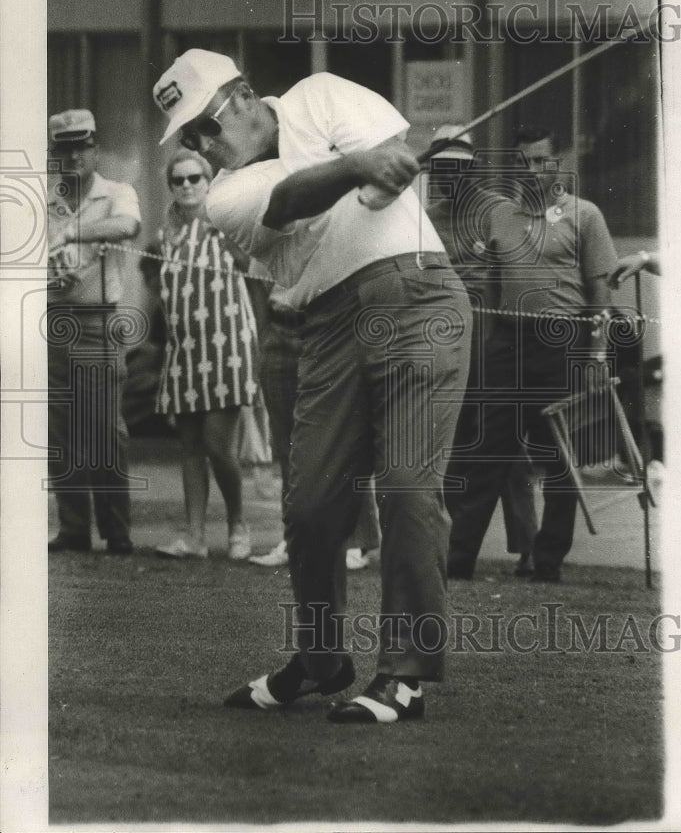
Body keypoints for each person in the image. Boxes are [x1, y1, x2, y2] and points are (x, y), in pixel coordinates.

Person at [152, 50, 471, 723]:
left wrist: (377, 167)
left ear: (240, 97)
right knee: (311, 508)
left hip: (415, 296)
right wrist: (359, 168)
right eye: (188, 140)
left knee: (409, 485)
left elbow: (388, 154)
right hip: (323, 322)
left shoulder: (320, 94)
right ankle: (321, 659)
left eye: (202, 130)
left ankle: (404, 676)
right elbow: (292, 200)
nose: (199, 147)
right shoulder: (223, 196)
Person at [445, 126, 618, 583]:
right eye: (524, 162)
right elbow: (492, 287)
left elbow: (600, 293)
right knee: (486, 453)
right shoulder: (503, 217)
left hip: (563, 345)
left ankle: (547, 562)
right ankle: (458, 560)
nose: (533, 171)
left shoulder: (585, 216)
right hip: (508, 344)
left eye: (541, 161)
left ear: (558, 162)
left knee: (558, 456)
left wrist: (596, 357)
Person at [424, 126, 538, 578]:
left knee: (504, 447)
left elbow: (514, 277)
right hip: (442, 339)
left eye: (454, 167)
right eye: (438, 167)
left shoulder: (498, 210)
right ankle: (448, 546)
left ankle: (529, 546)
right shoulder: (427, 214)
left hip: (493, 341)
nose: (445, 176)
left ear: (471, 168)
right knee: (448, 443)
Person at [154, 149, 258, 560]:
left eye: (195, 178)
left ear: (209, 180)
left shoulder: (226, 226)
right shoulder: (167, 235)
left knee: (219, 445)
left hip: (227, 345)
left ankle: (238, 523)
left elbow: (255, 271)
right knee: (189, 445)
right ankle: (195, 535)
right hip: (184, 349)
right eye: (178, 180)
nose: (186, 186)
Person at [47, 109, 141, 554]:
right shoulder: (42, 198)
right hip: (51, 320)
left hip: (97, 322)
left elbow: (128, 226)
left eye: (82, 145)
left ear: (96, 147)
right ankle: (72, 529)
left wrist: (72, 234)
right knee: (59, 429)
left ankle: (116, 531)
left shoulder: (116, 192)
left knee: (105, 429)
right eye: (65, 147)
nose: (75, 155)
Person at [247, 278, 381, 571]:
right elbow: (257, 284)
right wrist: (261, 341)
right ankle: (294, 536)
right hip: (279, 330)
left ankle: (355, 539)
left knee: (341, 438)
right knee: (287, 446)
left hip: (329, 331)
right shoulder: (271, 232)